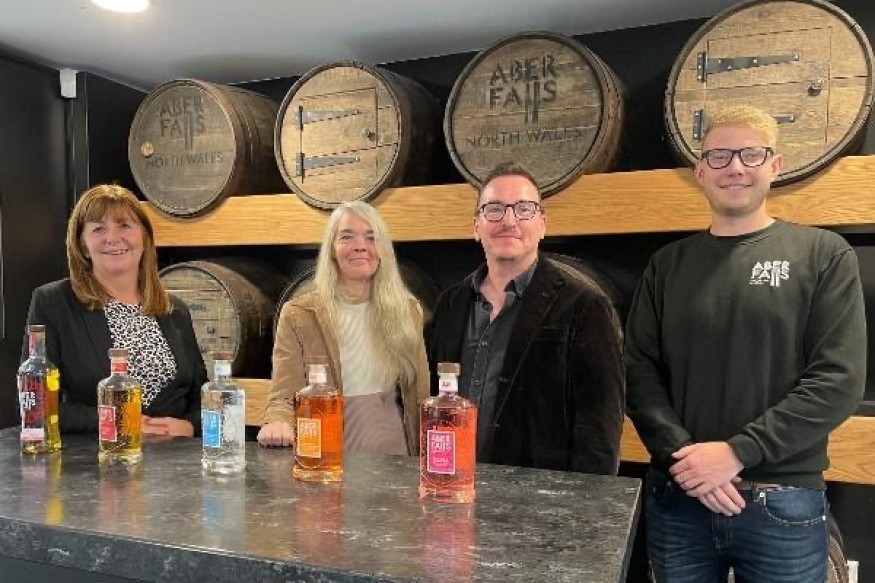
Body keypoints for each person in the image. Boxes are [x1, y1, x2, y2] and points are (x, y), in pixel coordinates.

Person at [625, 105, 866, 582]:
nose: (734, 167)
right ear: (700, 171)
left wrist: (736, 453)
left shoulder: (823, 255)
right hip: (680, 496)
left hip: (782, 499)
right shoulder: (667, 266)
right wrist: (685, 458)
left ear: (775, 165)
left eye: (750, 154)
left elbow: (838, 380)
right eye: (718, 156)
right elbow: (638, 371)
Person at [427, 162, 625, 474]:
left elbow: (599, 430)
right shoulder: (451, 304)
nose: (509, 220)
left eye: (524, 209)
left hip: (539, 495)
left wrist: (588, 500)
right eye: (494, 209)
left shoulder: (584, 306)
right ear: (476, 226)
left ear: (542, 224)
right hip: (455, 483)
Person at [23, 184, 207, 437]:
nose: (112, 238)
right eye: (98, 229)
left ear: (145, 238)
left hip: (174, 456)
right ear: (82, 245)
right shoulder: (54, 302)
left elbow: (201, 396)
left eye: (124, 225)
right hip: (94, 456)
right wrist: (120, 421)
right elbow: (36, 404)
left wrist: (189, 426)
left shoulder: (174, 310)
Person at [258, 201, 430, 456]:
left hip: (396, 457)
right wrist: (277, 421)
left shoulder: (408, 311)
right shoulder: (299, 315)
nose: (360, 246)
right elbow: (282, 396)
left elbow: (420, 395)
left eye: (371, 237)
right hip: (326, 455)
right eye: (347, 237)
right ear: (331, 249)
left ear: (383, 249)